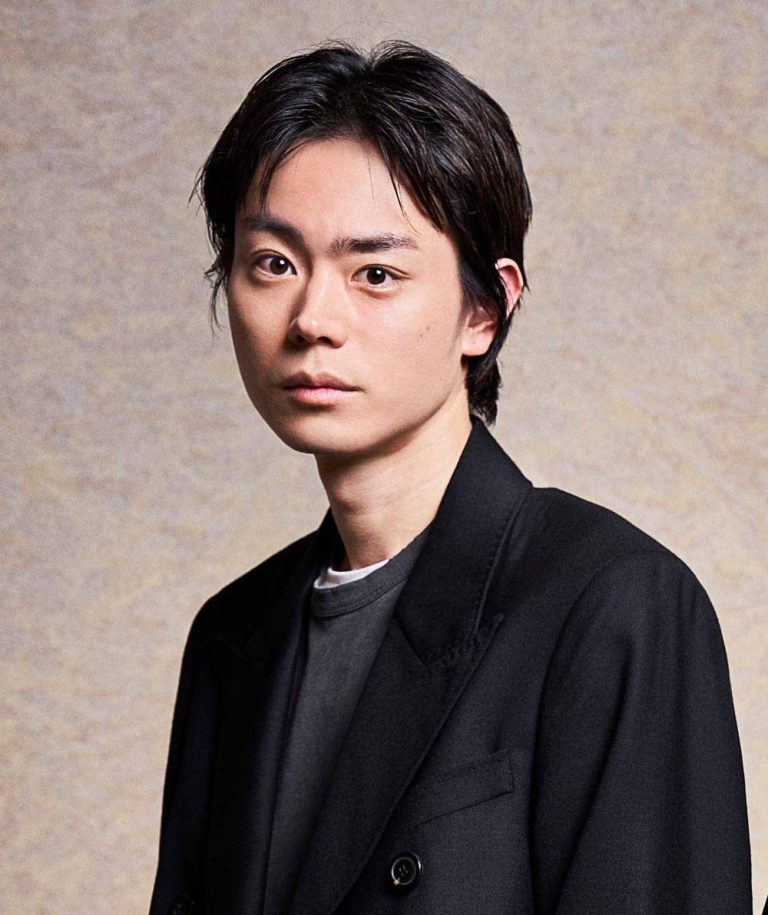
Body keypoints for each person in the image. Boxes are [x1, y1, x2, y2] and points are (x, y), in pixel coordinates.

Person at [149, 40, 752, 915]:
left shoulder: (613, 604)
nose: (313, 318)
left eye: (375, 273)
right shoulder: (232, 637)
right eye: (274, 263)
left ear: (484, 309)